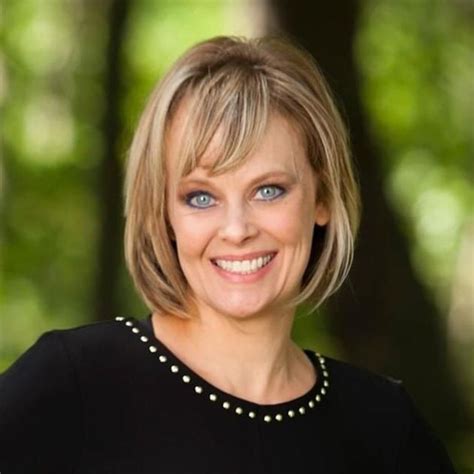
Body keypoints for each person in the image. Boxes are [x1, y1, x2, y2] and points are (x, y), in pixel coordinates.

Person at [0, 36, 456, 474]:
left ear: (322, 197)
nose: (237, 230)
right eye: (201, 197)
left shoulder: (383, 426)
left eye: (268, 190)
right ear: (164, 213)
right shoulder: (73, 384)